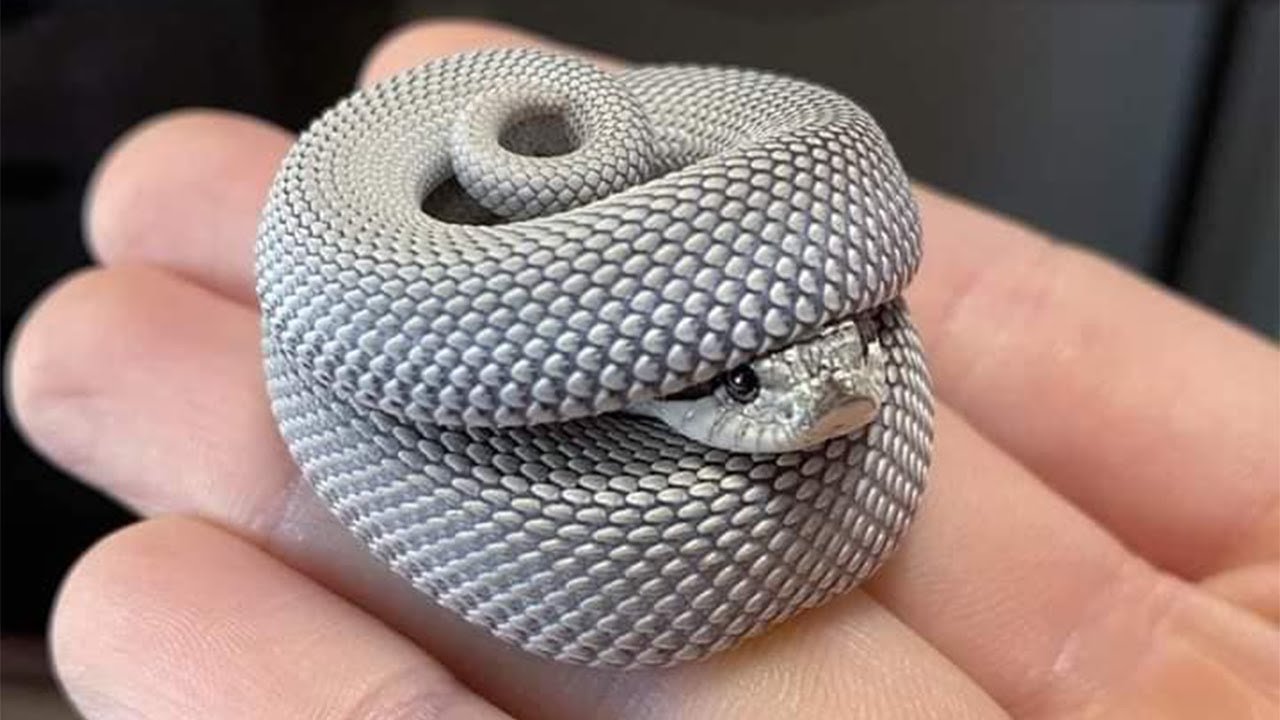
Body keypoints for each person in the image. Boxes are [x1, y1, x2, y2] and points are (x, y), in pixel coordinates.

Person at [6, 19, 1276, 720]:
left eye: (831, 362)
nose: (837, 402)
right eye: (743, 381)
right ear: (641, 376)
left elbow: (837, 349)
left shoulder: (819, 249)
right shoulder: (355, 256)